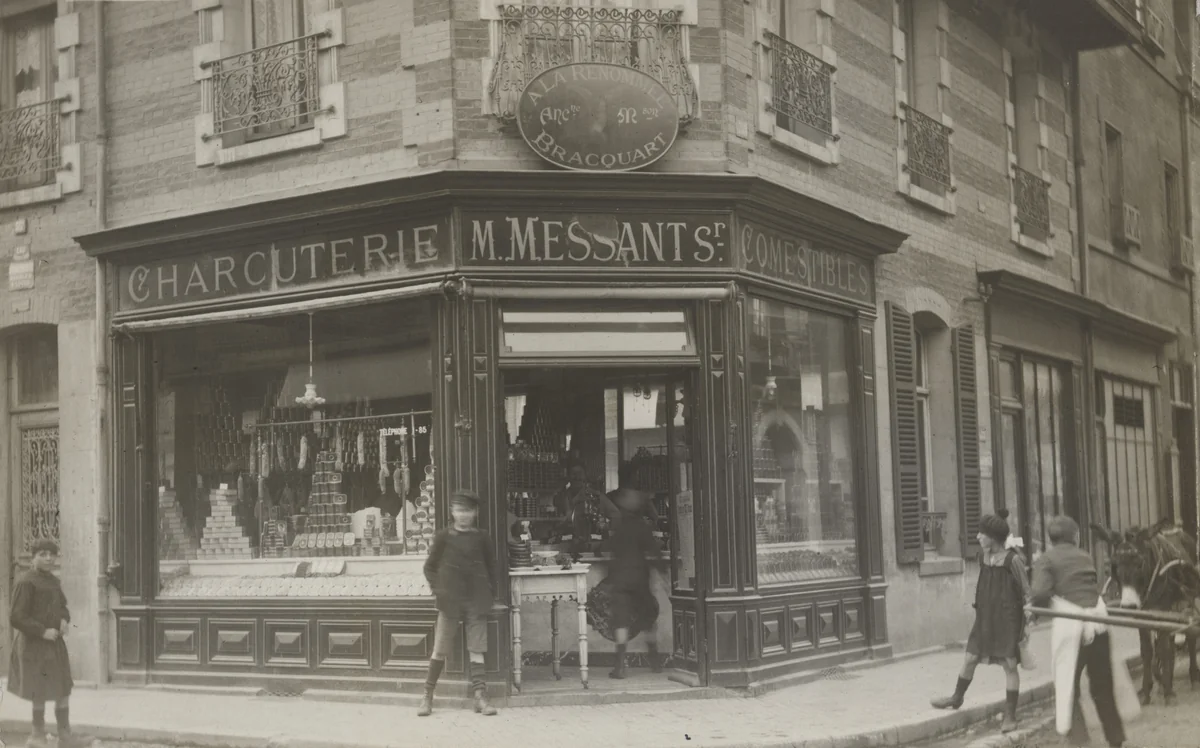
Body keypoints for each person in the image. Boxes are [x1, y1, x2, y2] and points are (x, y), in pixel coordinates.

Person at [1030, 515, 1137, 748]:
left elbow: (1039, 593)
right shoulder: (1085, 556)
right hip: (1098, 623)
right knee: (1102, 685)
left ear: (1052, 538)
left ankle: (1078, 739)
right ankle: (1115, 739)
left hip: (1072, 628)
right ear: (1075, 537)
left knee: (1067, 684)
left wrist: (1036, 610)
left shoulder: (1046, 559)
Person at [931, 509, 1032, 734]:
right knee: (970, 657)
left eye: (981, 534)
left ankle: (1010, 715)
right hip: (985, 618)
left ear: (994, 539)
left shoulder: (1012, 560)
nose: (977, 537)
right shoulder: (983, 557)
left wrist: (1027, 622)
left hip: (1007, 620)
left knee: (1009, 664)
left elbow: (1027, 592)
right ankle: (956, 698)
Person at [418, 490, 498, 717]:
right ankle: (427, 696)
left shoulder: (482, 537)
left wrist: (490, 593)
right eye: (459, 510)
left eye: (468, 511)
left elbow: (492, 568)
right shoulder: (443, 536)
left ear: (476, 512)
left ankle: (480, 698)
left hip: (476, 600)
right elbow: (429, 567)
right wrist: (439, 590)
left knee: (477, 649)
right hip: (450, 601)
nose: (463, 515)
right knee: (440, 649)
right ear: (452, 511)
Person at [7, 539, 81, 748]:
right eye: (43, 554)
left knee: (63, 688)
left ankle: (65, 736)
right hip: (33, 647)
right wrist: (42, 631)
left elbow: (63, 607)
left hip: (54, 644)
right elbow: (16, 617)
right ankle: (37, 736)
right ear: (33, 558)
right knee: (38, 691)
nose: (49, 558)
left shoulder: (54, 582)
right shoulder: (26, 582)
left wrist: (64, 620)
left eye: (52, 554)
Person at [605, 473, 663, 678]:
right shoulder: (642, 526)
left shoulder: (618, 526)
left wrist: (610, 578)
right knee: (648, 618)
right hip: (639, 578)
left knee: (620, 622)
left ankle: (620, 666)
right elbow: (655, 553)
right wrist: (663, 570)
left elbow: (610, 551)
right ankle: (655, 660)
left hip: (620, 579)